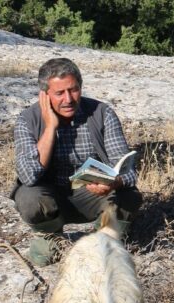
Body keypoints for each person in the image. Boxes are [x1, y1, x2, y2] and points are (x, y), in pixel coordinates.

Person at [11, 57, 142, 267]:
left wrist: (113, 182)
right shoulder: (28, 119)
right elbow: (28, 176)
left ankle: (104, 236)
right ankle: (51, 237)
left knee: (129, 195)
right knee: (28, 197)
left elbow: (129, 172)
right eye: (59, 93)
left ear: (80, 87)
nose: (68, 99)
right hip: (51, 197)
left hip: (92, 195)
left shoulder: (102, 113)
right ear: (45, 95)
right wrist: (50, 127)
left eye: (73, 90)